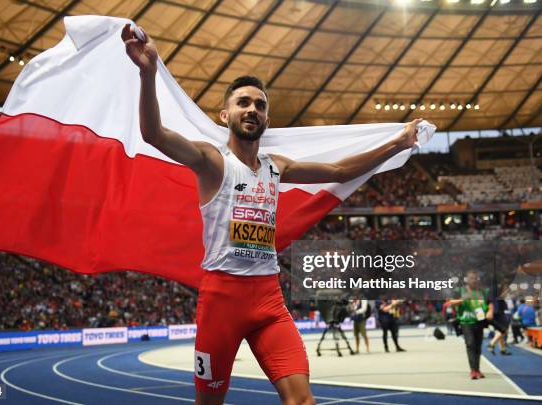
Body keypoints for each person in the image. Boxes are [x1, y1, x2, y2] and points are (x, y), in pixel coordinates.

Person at [122, 24, 424, 405]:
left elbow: (340, 173)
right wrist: (148, 73)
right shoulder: (212, 162)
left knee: (302, 401)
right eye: (244, 102)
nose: (252, 109)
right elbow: (154, 135)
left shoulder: (275, 166)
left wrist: (396, 142)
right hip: (221, 302)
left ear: (267, 119)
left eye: (260, 105)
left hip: (269, 300)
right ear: (224, 114)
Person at [448, 270, 494, 380]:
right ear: (467, 279)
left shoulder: (483, 291)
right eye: (471, 278)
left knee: (478, 346)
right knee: (470, 344)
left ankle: (477, 369)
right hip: (466, 322)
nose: (474, 280)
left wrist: (490, 311)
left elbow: (490, 303)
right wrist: (463, 299)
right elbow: (451, 302)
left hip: (479, 321)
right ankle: (473, 370)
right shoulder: (460, 290)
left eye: (476, 278)